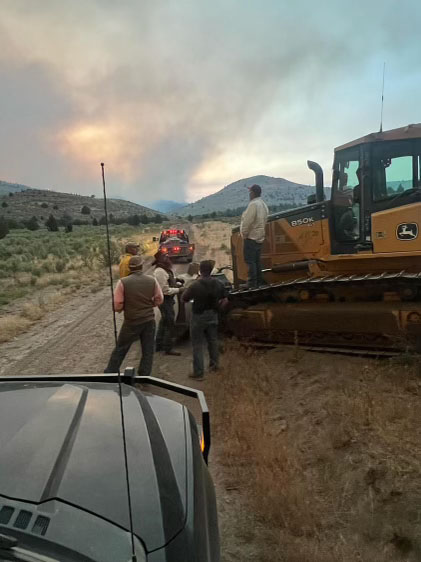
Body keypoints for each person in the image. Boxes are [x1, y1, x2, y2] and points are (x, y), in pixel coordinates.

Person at [104, 255, 163, 376]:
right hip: (148, 320)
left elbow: (117, 305)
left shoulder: (123, 282)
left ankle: (110, 373)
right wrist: (151, 304)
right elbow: (159, 299)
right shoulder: (152, 280)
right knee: (148, 349)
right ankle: (144, 375)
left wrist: (125, 307)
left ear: (130, 268)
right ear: (141, 266)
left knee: (121, 348)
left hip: (131, 321)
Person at [182, 260, 226, 381]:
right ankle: (215, 366)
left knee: (197, 344)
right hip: (213, 315)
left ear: (200, 271)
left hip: (198, 316)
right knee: (213, 341)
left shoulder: (195, 285)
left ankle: (199, 373)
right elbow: (225, 299)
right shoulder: (218, 283)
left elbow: (184, 298)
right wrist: (218, 309)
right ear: (211, 270)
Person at [153, 251, 183, 356]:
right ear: (160, 259)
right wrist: (179, 290)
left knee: (164, 321)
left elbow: (169, 281)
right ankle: (168, 348)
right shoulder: (159, 271)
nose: (167, 257)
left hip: (167, 300)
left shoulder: (165, 269)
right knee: (170, 323)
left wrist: (177, 282)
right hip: (165, 300)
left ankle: (159, 344)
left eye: (167, 255)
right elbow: (164, 290)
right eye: (164, 256)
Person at [240, 184, 268, 288]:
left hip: (251, 238)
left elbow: (247, 222)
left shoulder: (253, 205)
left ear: (252, 193)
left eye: (250, 192)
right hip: (259, 237)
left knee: (250, 261)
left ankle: (251, 284)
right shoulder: (263, 205)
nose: (249, 194)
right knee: (257, 261)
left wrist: (244, 235)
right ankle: (258, 282)